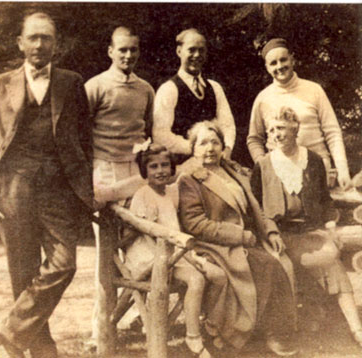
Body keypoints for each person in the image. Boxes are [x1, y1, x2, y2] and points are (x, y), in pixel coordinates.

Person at [0, 12, 94, 358]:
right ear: (20, 43)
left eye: (46, 38)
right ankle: (40, 347)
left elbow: (85, 140)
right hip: (13, 188)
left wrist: (85, 188)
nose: (40, 44)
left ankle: (11, 331)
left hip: (57, 188)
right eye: (33, 37)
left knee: (64, 263)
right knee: (23, 272)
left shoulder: (72, 82)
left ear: (56, 44)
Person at [178, 121, 297, 357]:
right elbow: (195, 224)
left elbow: (257, 208)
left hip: (249, 238)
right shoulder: (189, 179)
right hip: (216, 244)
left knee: (284, 261)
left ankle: (273, 331)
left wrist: (271, 231)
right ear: (193, 148)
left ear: (223, 146)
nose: (210, 148)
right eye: (203, 143)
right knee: (267, 266)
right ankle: (248, 334)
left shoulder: (234, 171)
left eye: (215, 142)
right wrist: (240, 236)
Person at [251, 106, 362, 348]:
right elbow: (257, 208)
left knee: (331, 258)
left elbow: (324, 200)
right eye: (271, 130)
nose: (276, 134)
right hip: (280, 234)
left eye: (280, 128)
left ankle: (356, 330)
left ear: (295, 128)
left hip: (311, 231)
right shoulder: (264, 165)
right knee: (315, 261)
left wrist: (330, 227)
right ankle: (287, 328)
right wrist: (270, 232)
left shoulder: (312, 160)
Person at [84, 26, 154, 345]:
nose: (128, 56)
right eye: (122, 49)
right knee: (106, 253)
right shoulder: (95, 86)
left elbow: (147, 130)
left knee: (142, 246)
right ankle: (102, 334)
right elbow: (79, 136)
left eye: (133, 50)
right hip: (104, 172)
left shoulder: (146, 89)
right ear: (110, 51)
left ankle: (141, 317)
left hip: (136, 174)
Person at [123, 142, 223, 358]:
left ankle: (209, 323)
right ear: (145, 170)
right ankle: (193, 338)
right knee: (196, 279)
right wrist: (186, 258)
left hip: (175, 252)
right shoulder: (143, 195)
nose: (160, 171)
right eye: (154, 167)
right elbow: (145, 233)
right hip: (151, 257)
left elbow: (175, 218)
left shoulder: (172, 191)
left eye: (165, 166)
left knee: (219, 275)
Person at [247, 38, 351, 189]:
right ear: (267, 67)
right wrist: (265, 165)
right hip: (280, 172)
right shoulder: (263, 98)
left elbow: (333, 133)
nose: (280, 66)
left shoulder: (314, 90)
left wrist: (342, 169)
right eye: (273, 63)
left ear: (292, 59)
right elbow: (254, 139)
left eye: (283, 60)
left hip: (317, 170)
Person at [153, 28, 236, 164]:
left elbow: (227, 125)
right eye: (191, 50)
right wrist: (195, 148)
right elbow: (160, 134)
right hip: (182, 163)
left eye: (201, 50)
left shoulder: (214, 88)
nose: (197, 55)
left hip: (214, 161)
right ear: (179, 51)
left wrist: (226, 148)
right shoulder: (169, 89)